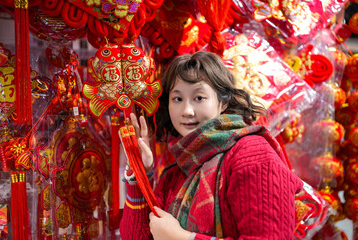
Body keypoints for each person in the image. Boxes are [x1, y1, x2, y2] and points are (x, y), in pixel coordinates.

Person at [119, 51, 303, 240]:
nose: (187, 111)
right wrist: (139, 173)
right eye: (178, 99)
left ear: (222, 102)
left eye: (199, 98)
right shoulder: (176, 172)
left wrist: (183, 238)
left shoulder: (252, 155)